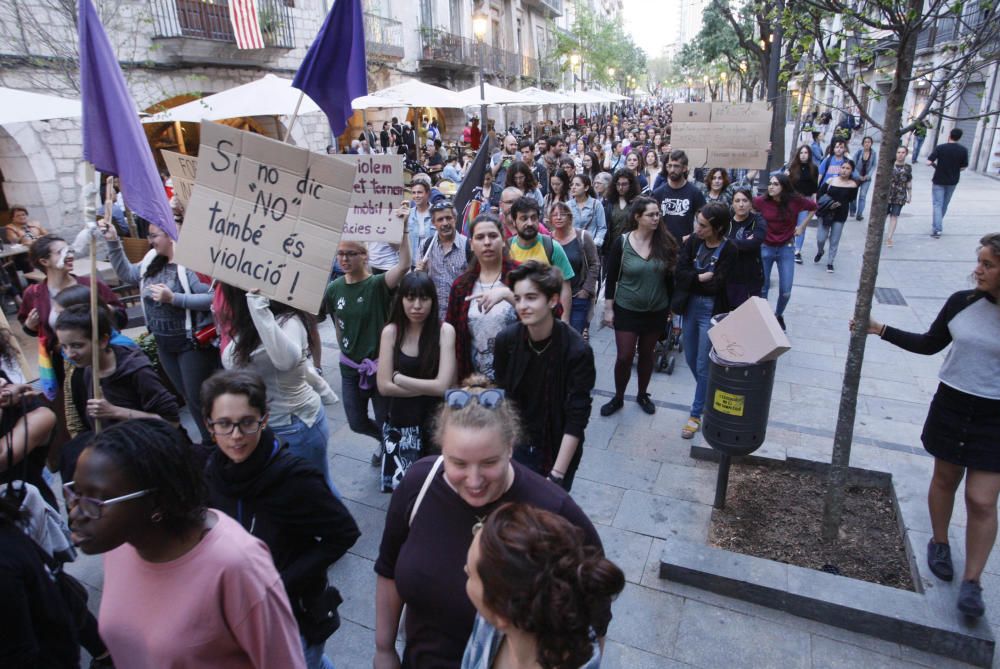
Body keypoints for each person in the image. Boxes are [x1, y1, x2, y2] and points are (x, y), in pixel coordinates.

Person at [373, 377, 608, 668]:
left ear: (511, 447)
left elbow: (594, 615)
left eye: (488, 463)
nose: (474, 481)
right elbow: (388, 566)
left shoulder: (554, 511)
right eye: (458, 463)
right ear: (441, 449)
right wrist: (384, 649)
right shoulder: (419, 484)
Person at [67, 419, 307, 667]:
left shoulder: (237, 564)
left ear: (156, 502)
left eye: (97, 502)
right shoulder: (120, 544)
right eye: (75, 493)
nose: (75, 513)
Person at [855, 232, 1000, 618]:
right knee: (945, 478)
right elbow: (930, 343)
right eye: (979, 261)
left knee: (982, 499)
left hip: (994, 416)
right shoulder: (962, 303)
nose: (978, 269)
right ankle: (939, 542)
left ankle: (972, 582)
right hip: (953, 403)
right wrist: (880, 329)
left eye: (988, 264)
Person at [202, 370, 361, 668]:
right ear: (209, 425)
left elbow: (344, 533)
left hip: (291, 617)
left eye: (247, 422)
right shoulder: (211, 472)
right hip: (237, 617)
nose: (236, 435)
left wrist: (279, 583)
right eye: (224, 424)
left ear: (264, 418)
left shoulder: (295, 478)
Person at [461, 503, 625, 669]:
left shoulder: (500, 609)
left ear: (500, 615)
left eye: (470, 575)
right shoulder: (494, 619)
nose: (465, 569)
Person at [101, 220, 219, 443]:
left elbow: (212, 299)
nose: (150, 241)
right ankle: (208, 442)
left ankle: (213, 441)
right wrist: (112, 242)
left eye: (155, 235)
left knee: (198, 397)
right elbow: (127, 274)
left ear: (171, 236)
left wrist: (173, 299)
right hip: (165, 344)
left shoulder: (191, 265)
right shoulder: (150, 261)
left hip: (191, 345)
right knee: (186, 395)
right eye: (149, 235)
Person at [215, 283, 337, 488]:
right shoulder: (245, 325)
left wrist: (259, 310)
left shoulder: (289, 320)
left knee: (316, 491)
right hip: (265, 426)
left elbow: (285, 360)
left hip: (296, 425)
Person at [494, 261, 595, 489]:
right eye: (518, 298)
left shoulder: (577, 350)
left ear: (552, 300)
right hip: (516, 444)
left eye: (531, 297)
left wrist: (556, 476)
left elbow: (576, 418)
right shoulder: (507, 341)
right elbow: (502, 399)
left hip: (557, 445)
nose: (522, 306)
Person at [55, 303, 180, 483]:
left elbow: (171, 421)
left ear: (104, 340)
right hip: (120, 457)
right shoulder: (88, 369)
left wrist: (115, 411)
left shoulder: (136, 370)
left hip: (153, 459)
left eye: (77, 345)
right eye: (64, 347)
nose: (70, 354)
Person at [326, 212, 411, 466]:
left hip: (379, 367)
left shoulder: (377, 284)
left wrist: (404, 229)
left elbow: (404, 265)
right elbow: (338, 324)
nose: (344, 259)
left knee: (386, 418)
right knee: (356, 421)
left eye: (351, 253)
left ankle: (391, 451)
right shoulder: (334, 289)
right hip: (350, 368)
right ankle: (383, 442)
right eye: (341, 253)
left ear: (364, 256)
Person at [18, 234, 126, 402]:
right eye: (61, 252)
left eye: (70, 250)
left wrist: (105, 310)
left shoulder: (90, 285)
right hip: (67, 367)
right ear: (44, 262)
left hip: (103, 360)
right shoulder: (33, 294)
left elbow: (121, 317)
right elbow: (32, 328)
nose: (70, 255)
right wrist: (29, 326)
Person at [376, 272, 456, 490]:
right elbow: (383, 386)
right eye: (410, 298)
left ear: (433, 300)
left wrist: (399, 378)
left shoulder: (445, 331)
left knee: (437, 485)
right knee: (406, 488)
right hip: (402, 422)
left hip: (436, 422)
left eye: (424, 298)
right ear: (401, 300)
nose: (417, 306)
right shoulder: (391, 332)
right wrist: (428, 388)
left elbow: (443, 387)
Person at [601, 196, 678, 416]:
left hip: (656, 309)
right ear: (638, 217)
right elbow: (612, 275)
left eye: (658, 214)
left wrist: (671, 309)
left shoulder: (666, 243)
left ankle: (643, 394)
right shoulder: (622, 243)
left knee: (647, 355)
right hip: (626, 308)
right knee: (624, 356)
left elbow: (670, 280)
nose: (656, 218)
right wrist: (608, 308)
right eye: (651, 214)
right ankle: (618, 397)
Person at [675, 203, 736, 439]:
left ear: (717, 228)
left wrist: (694, 279)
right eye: (697, 223)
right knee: (690, 358)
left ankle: (695, 414)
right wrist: (699, 277)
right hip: (690, 305)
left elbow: (718, 283)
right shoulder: (692, 242)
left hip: (711, 310)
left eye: (703, 225)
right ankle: (710, 394)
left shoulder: (729, 249)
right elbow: (679, 273)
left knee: (703, 363)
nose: (697, 228)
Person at [446, 213, 520, 382]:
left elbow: (549, 315)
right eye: (480, 237)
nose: (487, 242)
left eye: (493, 236)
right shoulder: (461, 286)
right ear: (471, 244)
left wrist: (509, 295)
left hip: (518, 380)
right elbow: (452, 338)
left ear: (503, 240)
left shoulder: (522, 276)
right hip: (474, 383)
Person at [754, 173, 818, 331]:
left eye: (775, 184)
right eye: (770, 183)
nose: (771, 187)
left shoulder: (795, 201)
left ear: (783, 187)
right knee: (763, 286)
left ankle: (778, 314)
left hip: (786, 249)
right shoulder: (762, 201)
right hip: (766, 247)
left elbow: (814, 207)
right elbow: (747, 205)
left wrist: (802, 226)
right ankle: (764, 318)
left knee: (786, 291)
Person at [507, 197, 574, 321]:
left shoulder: (552, 247)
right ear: (514, 221)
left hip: (547, 320)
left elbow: (565, 285)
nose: (530, 223)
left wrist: (564, 321)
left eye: (533, 218)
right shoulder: (506, 249)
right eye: (523, 218)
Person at [549, 201, 600, 337]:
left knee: (574, 336)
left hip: (578, 296)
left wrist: (586, 290)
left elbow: (594, 264)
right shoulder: (547, 239)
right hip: (554, 299)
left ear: (570, 217)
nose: (558, 217)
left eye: (562, 214)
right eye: (555, 215)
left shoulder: (582, 237)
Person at [416, 200, 471, 319]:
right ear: (433, 223)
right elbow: (419, 282)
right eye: (440, 219)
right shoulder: (425, 246)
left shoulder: (469, 246)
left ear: (455, 219)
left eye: (448, 218)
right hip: (432, 314)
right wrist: (421, 273)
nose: (445, 223)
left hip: (460, 313)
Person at [651, 150, 707, 243]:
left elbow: (705, 220)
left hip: (685, 248)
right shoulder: (658, 193)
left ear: (684, 168)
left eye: (676, 166)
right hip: (662, 247)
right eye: (670, 166)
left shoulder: (695, 193)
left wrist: (693, 236)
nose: (672, 169)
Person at [815, 159, 859, 273]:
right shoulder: (831, 181)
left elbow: (851, 199)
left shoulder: (853, 185)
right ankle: (820, 251)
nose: (844, 170)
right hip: (826, 213)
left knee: (834, 239)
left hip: (840, 214)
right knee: (821, 238)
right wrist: (830, 204)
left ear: (852, 171)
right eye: (843, 167)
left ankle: (830, 262)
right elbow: (820, 194)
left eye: (847, 168)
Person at [727, 186, 766, 307]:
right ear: (732, 203)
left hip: (750, 279)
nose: (741, 204)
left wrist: (727, 242)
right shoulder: (726, 220)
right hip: (727, 277)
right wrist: (744, 243)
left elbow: (755, 242)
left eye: (745, 200)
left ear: (750, 203)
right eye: (737, 201)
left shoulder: (757, 220)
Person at [927, 128, 969, 238]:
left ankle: (937, 229)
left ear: (949, 135)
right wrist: (955, 169)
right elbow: (964, 166)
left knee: (937, 204)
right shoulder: (963, 150)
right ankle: (937, 225)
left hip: (939, 179)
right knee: (944, 204)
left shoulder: (940, 148)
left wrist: (937, 167)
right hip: (953, 180)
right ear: (960, 137)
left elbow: (929, 162)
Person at [787, 145, 820, 264]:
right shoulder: (793, 167)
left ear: (809, 154)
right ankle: (790, 245)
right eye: (801, 153)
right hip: (792, 199)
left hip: (805, 200)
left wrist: (813, 200)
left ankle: (797, 250)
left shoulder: (814, 168)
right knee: (791, 224)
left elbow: (815, 187)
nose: (803, 155)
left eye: (806, 152)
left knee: (801, 225)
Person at [568, 174, 608, 249]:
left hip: (591, 247)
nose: (573, 187)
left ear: (586, 188)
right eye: (572, 184)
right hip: (572, 246)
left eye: (577, 185)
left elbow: (602, 227)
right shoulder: (568, 205)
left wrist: (595, 243)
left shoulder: (596, 204)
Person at [885, 146, 913, 247]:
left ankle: (889, 237)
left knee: (894, 216)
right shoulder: (889, 165)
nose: (900, 154)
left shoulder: (908, 167)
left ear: (906, 154)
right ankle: (878, 233)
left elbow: (909, 181)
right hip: (887, 194)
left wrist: (910, 195)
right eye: (898, 152)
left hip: (900, 195)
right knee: (883, 215)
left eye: (903, 152)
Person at [407, 180, 434, 264]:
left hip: (432, 263)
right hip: (412, 263)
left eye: (419, 192)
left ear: (427, 193)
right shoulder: (408, 214)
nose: (416, 196)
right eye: (414, 193)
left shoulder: (436, 213)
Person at [850, 136, 877, 220]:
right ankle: (852, 210)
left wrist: (868, 175)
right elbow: (852, 165)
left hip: (866, 178)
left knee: (862, 195)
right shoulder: (858, 152)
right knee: (853, 196)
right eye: (865, 142)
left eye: (869, 142)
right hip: (856, 177)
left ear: (871, 143)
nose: (867, 144)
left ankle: (859, 214)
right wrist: (858, 176)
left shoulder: (873, 153)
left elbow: (873, 165)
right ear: (863, 143)